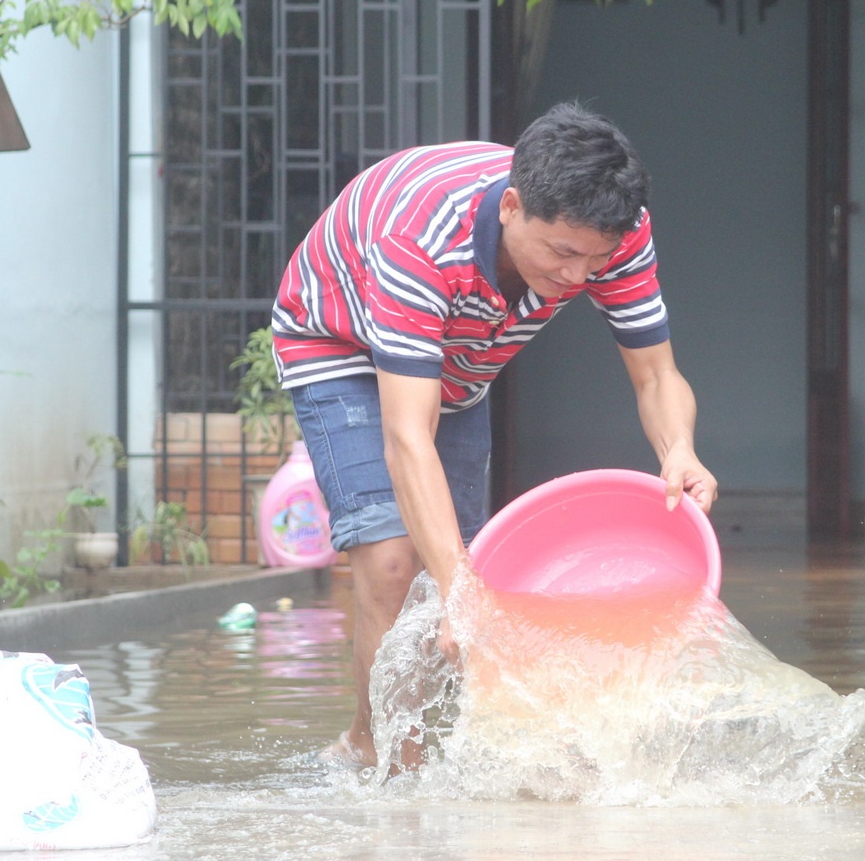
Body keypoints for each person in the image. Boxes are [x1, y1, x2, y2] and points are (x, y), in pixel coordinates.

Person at [271, 101, 717, 767]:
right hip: (337, 341)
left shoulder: (612, 236)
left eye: (593, 261)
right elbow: (407, 437)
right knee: (397, 563)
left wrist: (677, 449)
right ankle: (378, 753)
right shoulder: (418, 239)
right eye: (563, 253)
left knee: (462, 570)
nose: (577, 277)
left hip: (455, 362)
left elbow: (657, 377)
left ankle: (429, 749)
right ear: (511, 205)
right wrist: (461, 593)